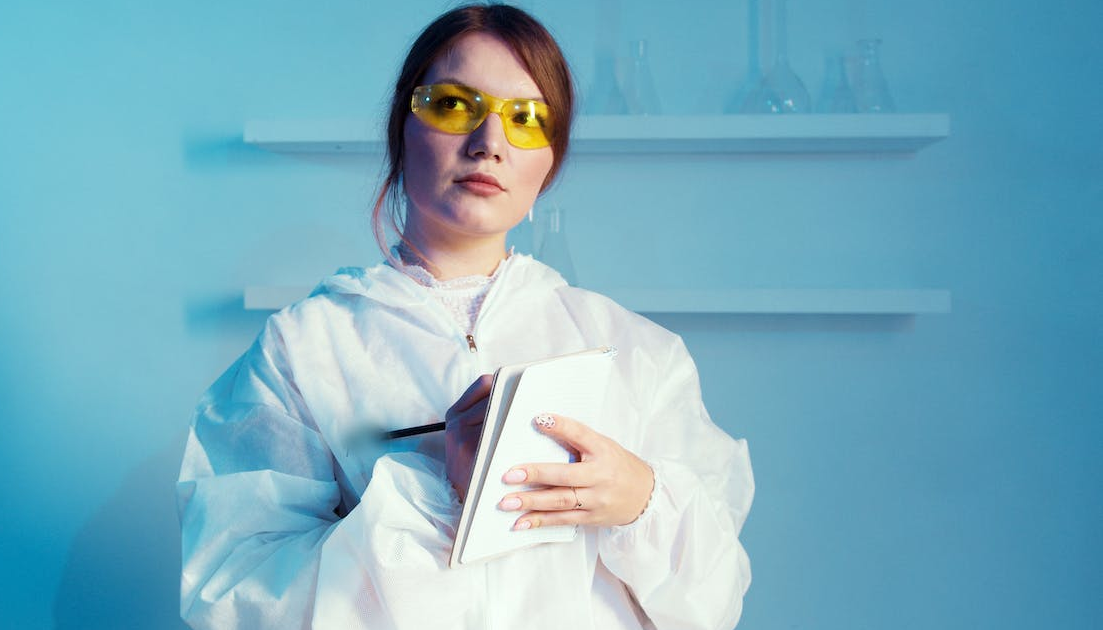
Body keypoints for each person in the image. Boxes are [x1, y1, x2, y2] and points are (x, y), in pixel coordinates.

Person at [177, 4, 754, 629]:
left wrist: (640, 503)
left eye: (526, 119)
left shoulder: (638, 352)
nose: (490, 143)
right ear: (402, 128)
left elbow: (714, 603)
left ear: (551, 162)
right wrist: (439, 497)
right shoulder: (304, 349)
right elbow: (237, 599)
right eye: (453, 105)